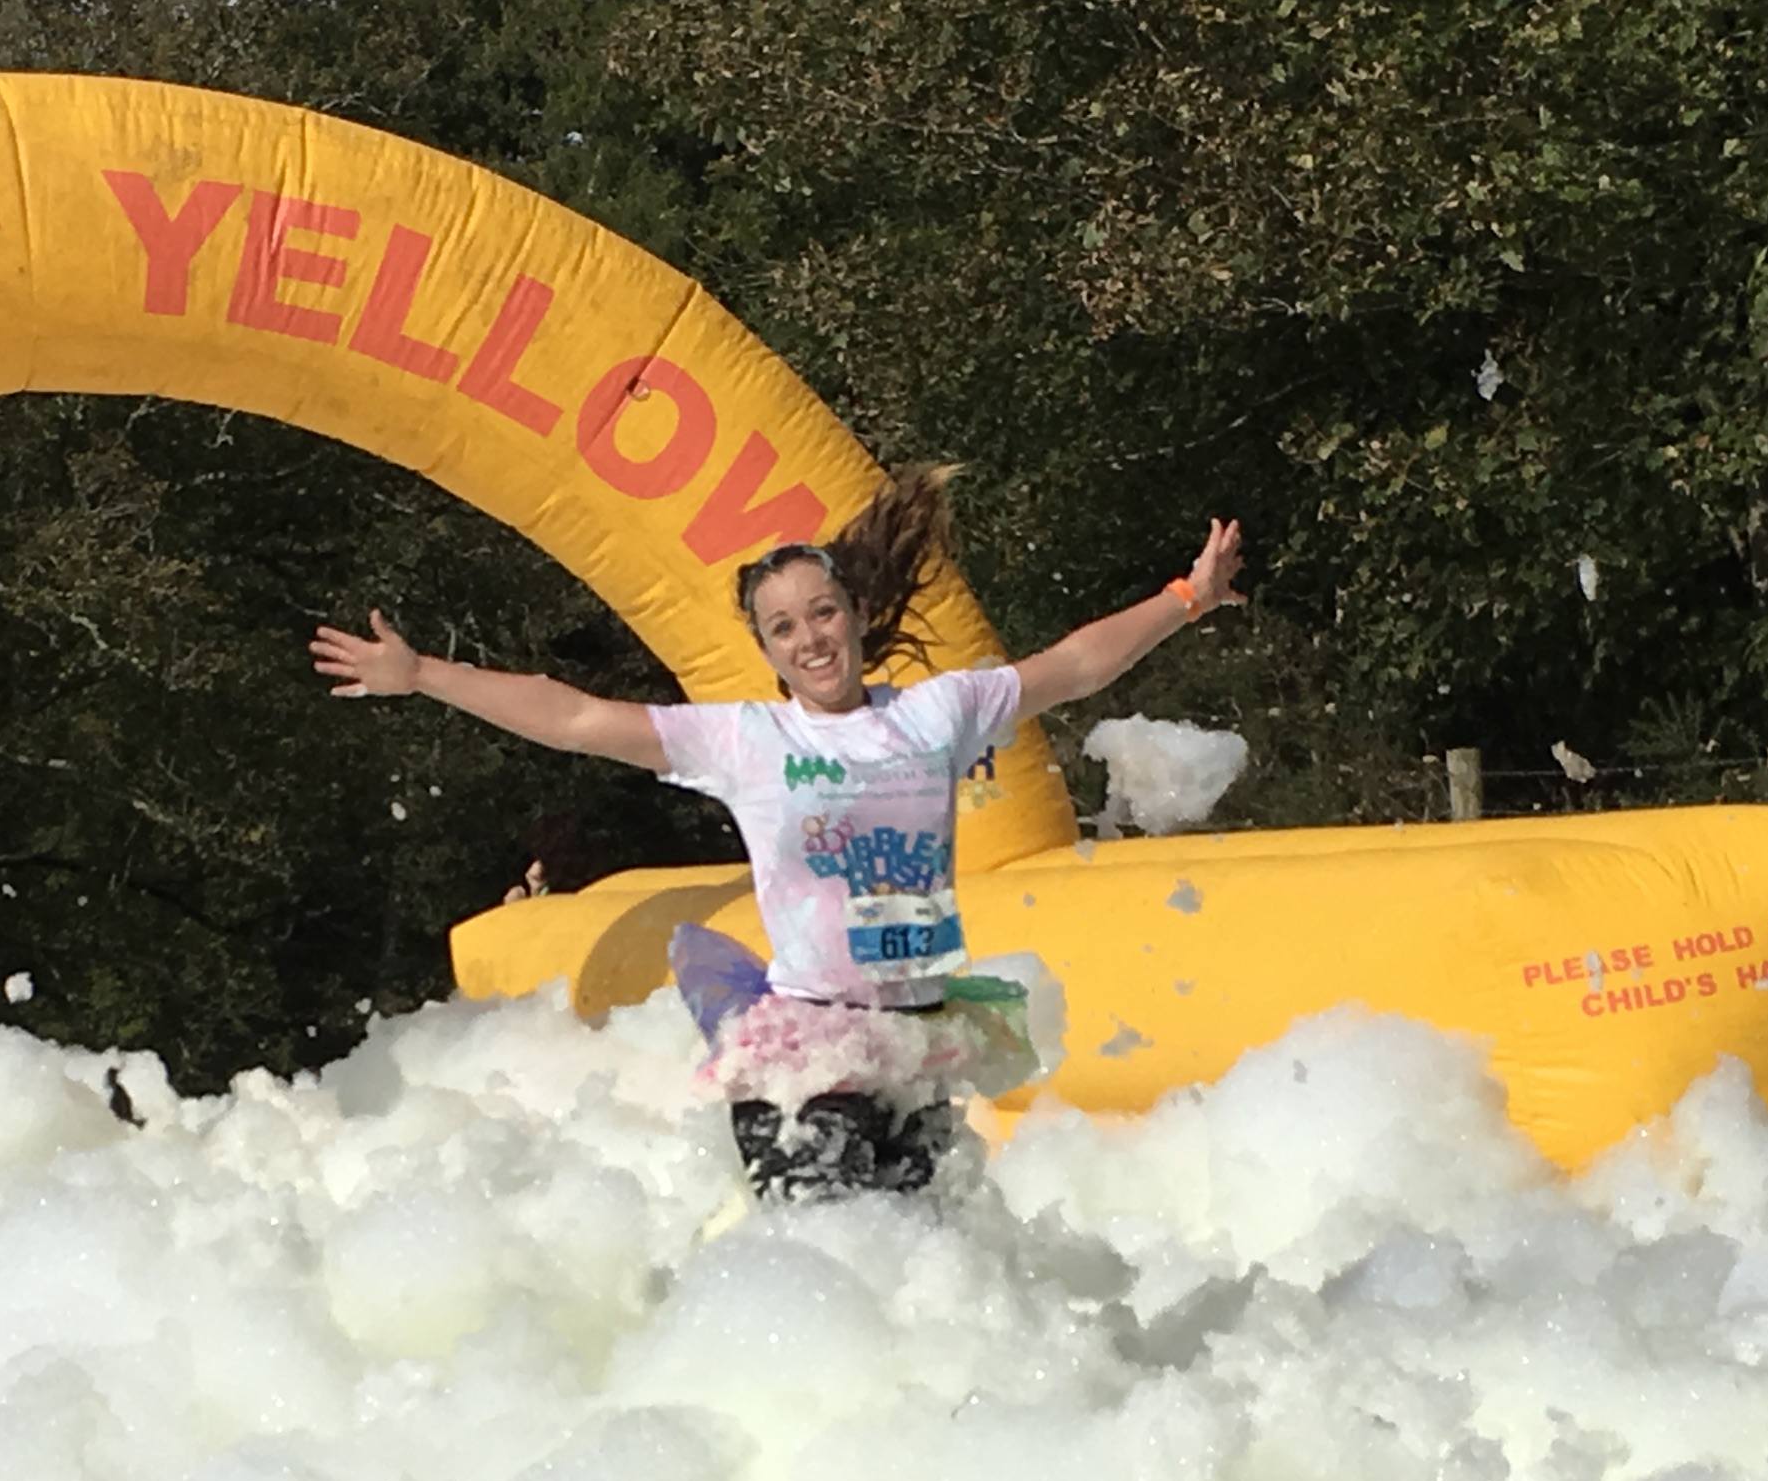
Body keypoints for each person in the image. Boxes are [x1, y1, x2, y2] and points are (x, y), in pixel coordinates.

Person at [310, 467, 1246, 1195]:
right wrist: (423, 674)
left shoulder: (937, 715)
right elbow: (577, 718)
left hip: (918, 1046)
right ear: (766, 650)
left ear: (857, 615)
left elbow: (1073, 667)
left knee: (918, 1286)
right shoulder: (748, 740)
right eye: (784, 628)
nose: (811, 639)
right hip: (807, 1060)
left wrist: (1188, 597)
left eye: (822, 613)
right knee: (836, 1280)